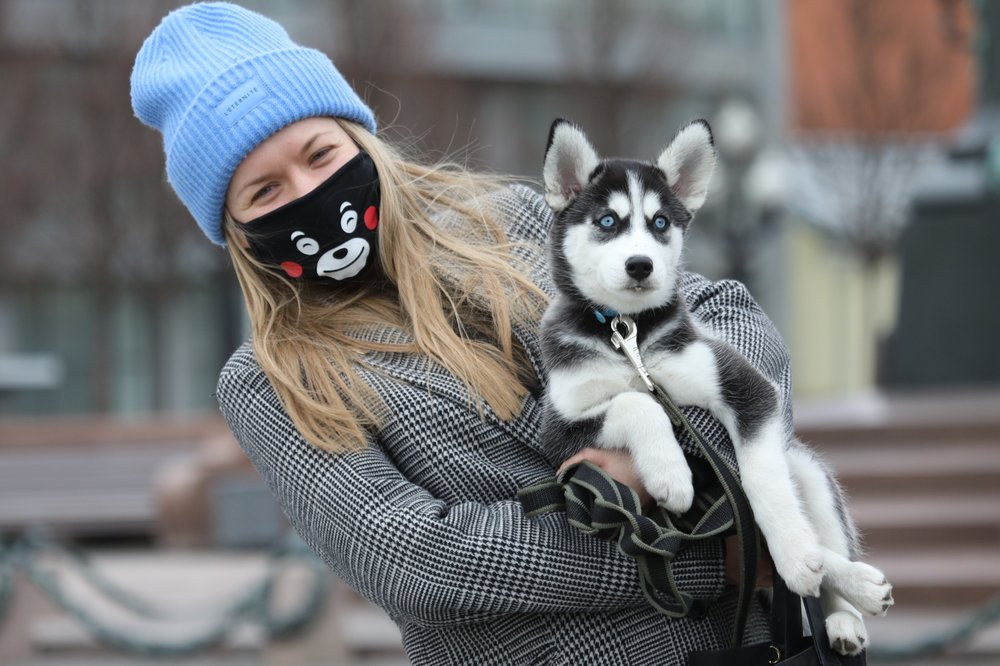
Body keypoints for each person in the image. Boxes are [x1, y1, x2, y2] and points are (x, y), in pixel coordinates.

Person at [131, 3, 782, 664]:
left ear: (359, 138)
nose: (310, 191)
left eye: (319, 153)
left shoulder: (510, 221)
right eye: (266, 191)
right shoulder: (270, 381)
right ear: (236, 229)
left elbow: (724, 315)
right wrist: (704, 555)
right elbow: (416, 555)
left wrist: (662, 451)